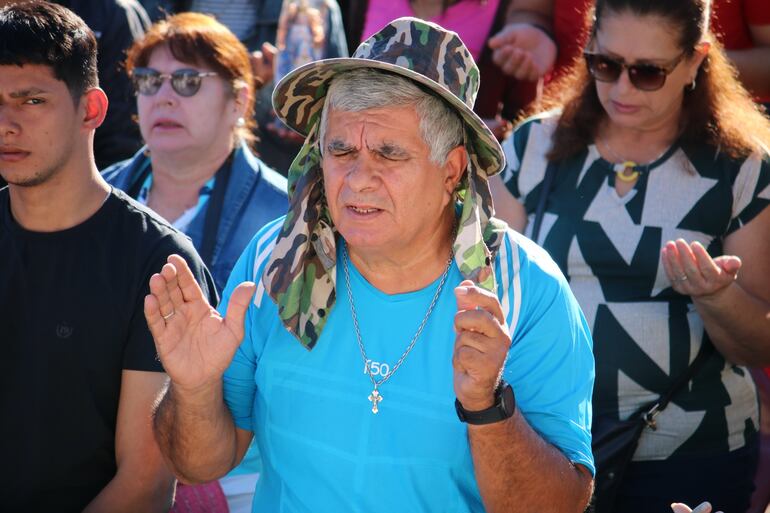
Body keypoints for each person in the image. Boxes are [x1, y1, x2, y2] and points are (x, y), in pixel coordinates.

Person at [146, 16, 596, 513]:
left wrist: (488, 407)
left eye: (389, 154)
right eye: (340, 150)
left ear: (452, 171)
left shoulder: (524, 290)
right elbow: (199, 465)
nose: (358, 179)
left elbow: (560, 505)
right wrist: (192, 388)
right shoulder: (277, 258)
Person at [491, 0, 770, 511]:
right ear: (588, 49)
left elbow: (758, 345)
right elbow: (489, 294)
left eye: (647, 72)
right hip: (548, 445)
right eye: (606, 65)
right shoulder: (534, 145)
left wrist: (717, 296)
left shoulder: (742, 166)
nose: (621, 88)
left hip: (690, 455)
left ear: (695, 61)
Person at [0, 2, 217, 512]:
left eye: (31, 100)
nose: (6, 124)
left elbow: (144, 484)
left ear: (91, 110)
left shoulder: (160, 264)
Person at [103, 12, 288, 294]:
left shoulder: (288, 216)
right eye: (149, 80)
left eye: (188, 81)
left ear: (238, 100)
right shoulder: (93, 194)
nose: (163, 97)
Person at [343, 0, 528, 140]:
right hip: (362, 148)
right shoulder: (357, 5)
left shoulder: (509, 13)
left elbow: (521, 122)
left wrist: (473, 132)